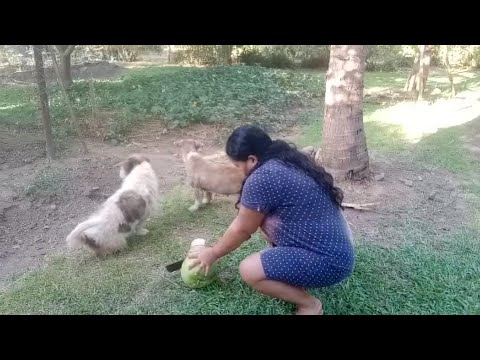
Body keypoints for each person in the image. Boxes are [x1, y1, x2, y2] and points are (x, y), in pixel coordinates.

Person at [188, 125, 355, 315]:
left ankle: (310, 305)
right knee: (266, 225)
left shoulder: (262, 177)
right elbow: (250, 219)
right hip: (340, 250)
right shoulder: (284, 160)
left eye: (237, 165)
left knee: (249, 270)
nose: (238, 170)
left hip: (330, 261)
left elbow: (242, 229)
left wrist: (212, 253)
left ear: (252, 159)